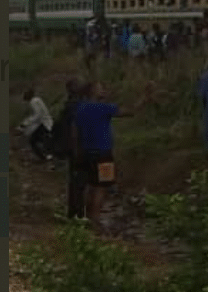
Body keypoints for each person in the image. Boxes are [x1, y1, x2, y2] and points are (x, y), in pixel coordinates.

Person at [74, 81, 153, 224]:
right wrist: (145, 97)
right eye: (100, 88)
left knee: (90, 185)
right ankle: (96, 219)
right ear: (93, 92)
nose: (104, 90)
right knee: (102, 186)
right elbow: (130, 111)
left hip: (86, 153)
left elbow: (76, 132)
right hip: (104, 154)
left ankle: (85, 217)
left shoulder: (81, 108)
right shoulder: (104, 108)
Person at [50, 79, 87, 219]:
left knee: (76, 181)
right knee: (80, 182)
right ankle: (78, 213)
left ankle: (74, 212)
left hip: (74, 149)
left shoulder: (69, 105)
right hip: (79, 148)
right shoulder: (76, 106)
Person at [19, 87, 55, 162]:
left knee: (33, 140)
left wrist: (26, 123)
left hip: (44, 124)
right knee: (42, 140)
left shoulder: (33, 102)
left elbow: (37, 115)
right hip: (45, 123)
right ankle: (47, 156)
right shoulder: (37, 100)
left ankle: (45, 157)